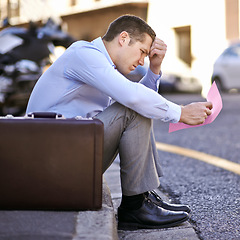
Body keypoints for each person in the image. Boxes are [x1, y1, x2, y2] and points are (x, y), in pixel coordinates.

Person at [26, 15, 212, 229]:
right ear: (123, 38)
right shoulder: (84, 54)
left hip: (67, 157)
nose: (142, 60)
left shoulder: (103, 66)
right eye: (142, 52)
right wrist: (180, 112)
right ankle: (135, 206)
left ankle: (142, 197)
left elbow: (138, 103)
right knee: (132, 108)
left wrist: (154, 70)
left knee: (135, 107)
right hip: (53, 164)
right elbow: (133, 99)